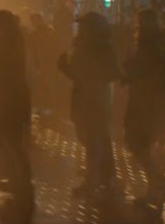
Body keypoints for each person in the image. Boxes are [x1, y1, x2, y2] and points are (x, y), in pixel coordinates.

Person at [57, 12, 121, 197]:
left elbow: (112, 73)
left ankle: (91, 181)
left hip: (95, 100)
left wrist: (87, 74)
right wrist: (66, 68)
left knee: (93, 140)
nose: (80, 29)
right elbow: (78, 73)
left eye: (84, 26)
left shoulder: (103, 48)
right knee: (94, 138)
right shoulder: (83, 46)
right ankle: (107, 176)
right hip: (84, 98)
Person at [122, 9, 165, 202]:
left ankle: (157, 186)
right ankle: (160, 183)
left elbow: (141, 71)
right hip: (154, 103)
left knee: (138, 145)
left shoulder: (148, 45)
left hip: (145, 104)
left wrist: (127, 69)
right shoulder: (157, 44)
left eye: (139, 23)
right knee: (142, 146)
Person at [0, 10, 34, 213]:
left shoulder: (5, 42)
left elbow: (1, 73)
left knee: (10, 145)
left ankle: (23, 189)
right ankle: (19, 185)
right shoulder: (13, 40)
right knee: (11, 145)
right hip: (13, 100)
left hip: (9, 102)